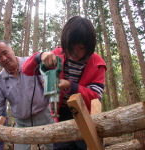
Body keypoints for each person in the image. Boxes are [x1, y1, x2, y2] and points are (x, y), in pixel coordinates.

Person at [22, 16, 106, 150]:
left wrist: (69, 85)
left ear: (89, 46)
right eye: (71, 48)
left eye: (81, 48)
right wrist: (40, 56)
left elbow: (95, 98)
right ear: (66, 43)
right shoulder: (57, 55)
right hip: (61, 117)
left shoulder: (97, 64)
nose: (74, 53)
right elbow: (26, 70)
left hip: (88, 116)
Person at [0, 40, 53, 150]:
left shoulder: (32, 63)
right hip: (21, 126)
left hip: (45, 118)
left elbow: (49, 85)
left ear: (12, 50)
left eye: (5, 53)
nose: (3, 58)